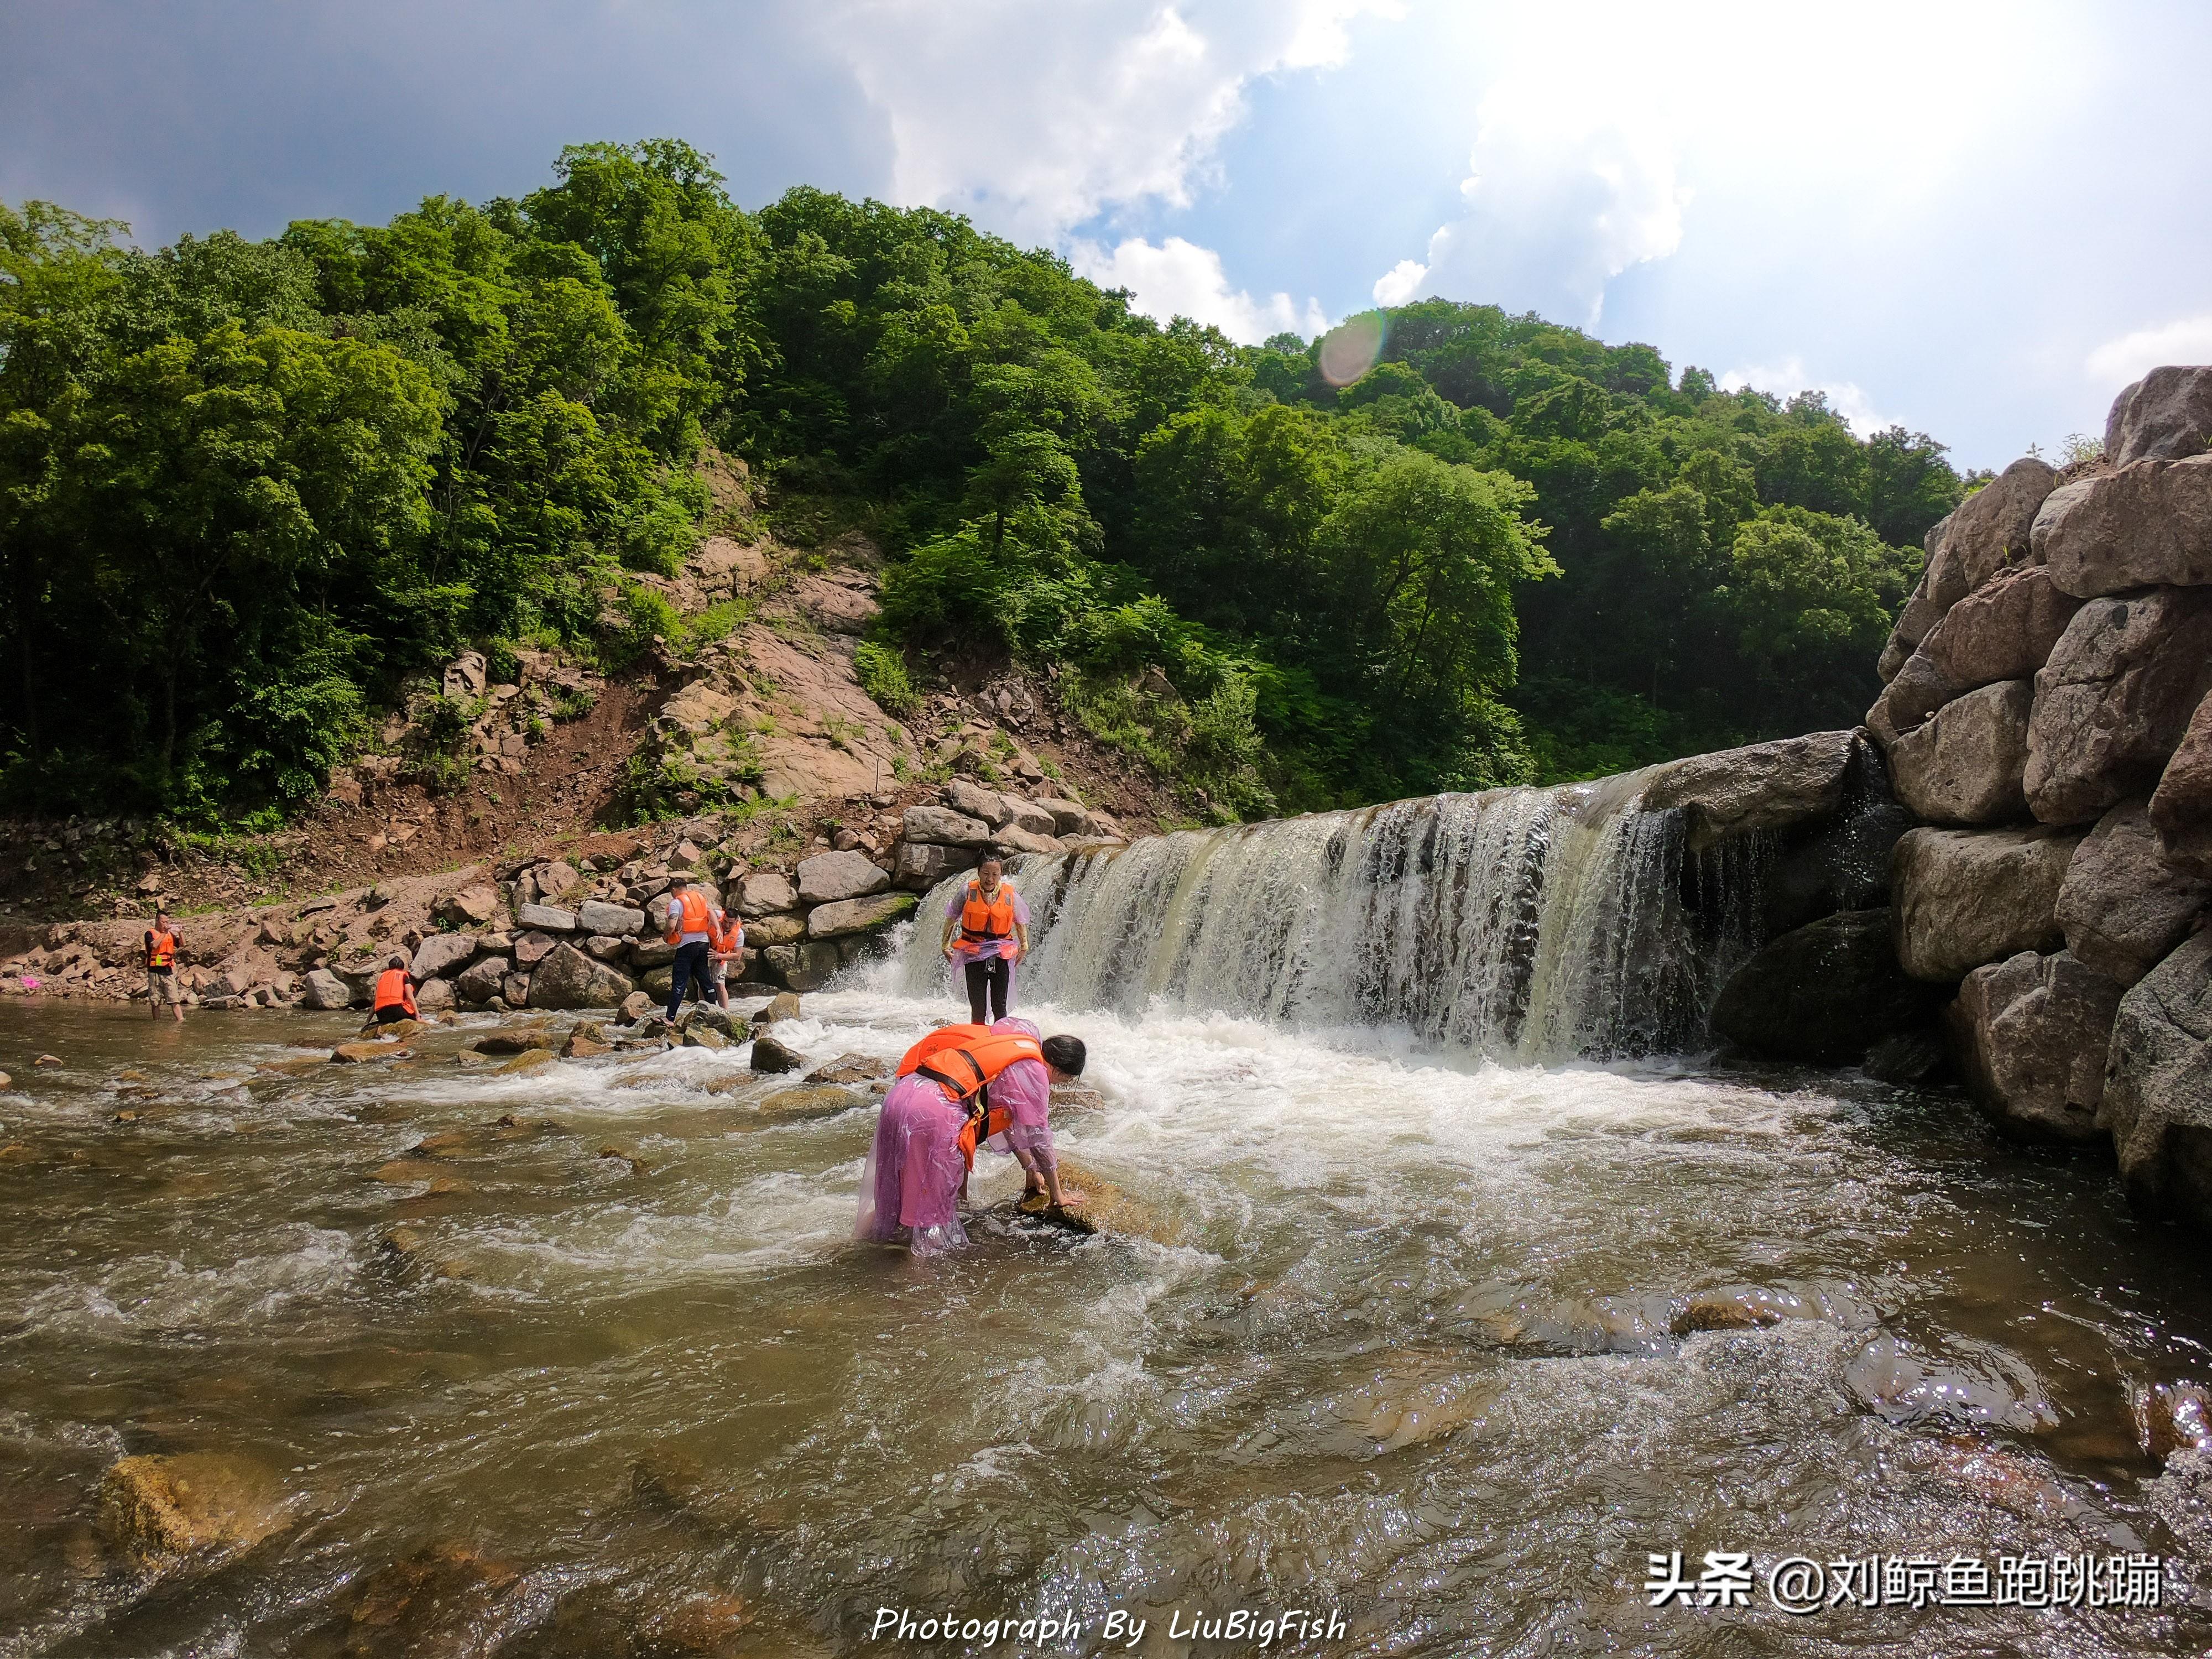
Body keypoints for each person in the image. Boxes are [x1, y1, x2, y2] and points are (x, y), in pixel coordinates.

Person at [855, 1021, 1088, 1253]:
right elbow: (1039, 1138)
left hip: (903, 1093)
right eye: (1064, 1080)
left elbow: (1004, 1118)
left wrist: (1029, 1167)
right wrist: (1057, 1193)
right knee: (933, 1221)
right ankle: (918, 1285)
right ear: (1059, 1070)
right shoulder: (1034, 1071)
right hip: (935, 1110)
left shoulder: (1012, 1041)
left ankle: (857, 1248)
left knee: (895, 1198)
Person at [939, 855, 1030, 1024]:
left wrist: (1024, 946)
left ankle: (999, 1040)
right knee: (978, 1007)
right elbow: (952, 917)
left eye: (995, 874)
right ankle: (978, 1040)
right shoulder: (967, 891)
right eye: (986, 873)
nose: (990, 879)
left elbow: (1020, 921)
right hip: (974, 951)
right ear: (978, 872)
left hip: (1001, 953)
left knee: (1000, 1006)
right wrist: (945, 945)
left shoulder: (1010, 894)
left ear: (1001, 874)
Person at [661, 879, 723, 1022]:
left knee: (679, 982)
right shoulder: (700, 898)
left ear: (674, 890)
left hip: (687, 946)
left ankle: (670, 1018)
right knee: (705, 979)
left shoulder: (677, 903)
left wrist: (666, 937)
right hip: (703, 943)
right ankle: (714, 1013)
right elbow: (711, 913)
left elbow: (672, 924)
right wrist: (718, 929)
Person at [144, 911, 184, 1022]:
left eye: (167, 922)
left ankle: (180, 1021)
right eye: (163, 922)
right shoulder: (150, 933)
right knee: (155, 1001)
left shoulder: (170, 935)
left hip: (168, 971)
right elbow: (154, 945)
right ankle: (156, 1023)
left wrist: (180, 933)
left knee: (174, 999)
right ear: (157, 921)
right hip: (154, 972)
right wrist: (164, 933)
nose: (166, 924)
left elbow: (182, 944)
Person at [707, 906, 744, 1009]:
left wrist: (718, 956)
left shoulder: (740, 934)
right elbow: (709, 910)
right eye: (725, 921)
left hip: (721, 957)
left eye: (731, 923)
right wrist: (718, 928)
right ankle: (704, 1007)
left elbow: (737, 956)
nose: (727, 925)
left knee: (719, 984)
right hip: (707, 952)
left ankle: (725, 1011)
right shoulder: (719, 915)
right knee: (703, 982)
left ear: (737, 921)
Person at [372, 956, 418, 1024]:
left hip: (381, 1015)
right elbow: (410, 997)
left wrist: (367, 1022)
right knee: (411, 1012)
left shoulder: (382, 977)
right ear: (402, 967)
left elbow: (375, 1001)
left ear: (389, 967)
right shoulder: (404, 976)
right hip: (398, 1012)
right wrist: (418, 1016)